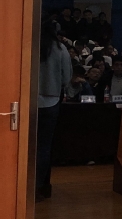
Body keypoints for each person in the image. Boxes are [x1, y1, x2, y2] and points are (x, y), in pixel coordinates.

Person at [37, 16, 72, 201]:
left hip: (28, 102)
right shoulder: (60, 49)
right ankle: (40, 187)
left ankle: (22, 185)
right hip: (51, 102)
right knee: (44, 147)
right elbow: (67, 78)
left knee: (26, 145)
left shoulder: (30, 46)